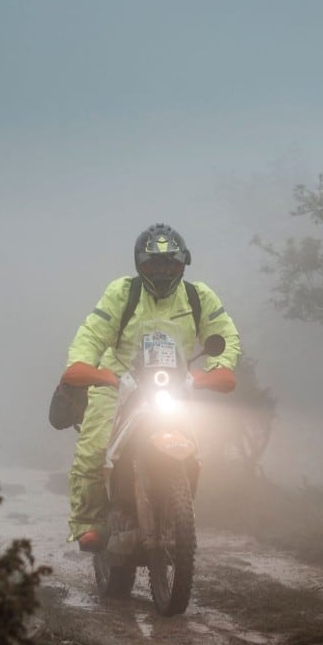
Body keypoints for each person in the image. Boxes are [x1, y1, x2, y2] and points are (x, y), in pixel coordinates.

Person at [57, 223, 241, 551]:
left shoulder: (199, 296)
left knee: (203, 441)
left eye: (170, 264)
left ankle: (176, 504)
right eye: (154, 264)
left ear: (183, 265)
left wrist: (212, 372)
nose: (162, 271)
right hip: (119, 383)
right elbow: (93, 332)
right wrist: (92, 368)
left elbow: (224, 337)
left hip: (175, 385)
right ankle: (90, 521)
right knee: (94, 447)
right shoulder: (121, 293)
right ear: (140, 265)